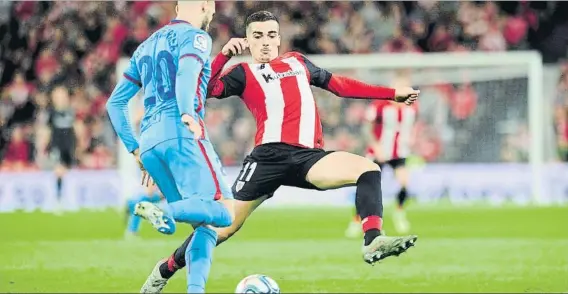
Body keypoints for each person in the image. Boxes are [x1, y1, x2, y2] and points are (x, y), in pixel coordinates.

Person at [140, 11, 420, 293]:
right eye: (257, 36)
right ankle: (165, 269)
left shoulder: (297, 62)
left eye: (271, 35)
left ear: (279, 38)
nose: (265, 42)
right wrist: (224, 55)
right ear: (248, 40)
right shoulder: (243, 73)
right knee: (221, 230)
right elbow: (205, 89)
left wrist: (390, 93)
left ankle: (372, 240)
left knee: (368, 169)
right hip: (266, 160)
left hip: (308, 157)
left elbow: (338, 85)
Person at [105, 1, 234, 293]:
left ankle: (195, 289)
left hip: (149, 142)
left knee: (204, 226)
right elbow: (186, 74)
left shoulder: (145, 46)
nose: (212, 14)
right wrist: (187, 112)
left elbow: (114, 103)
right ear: (202, 5)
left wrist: (135, 149)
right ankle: (161, 208)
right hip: (182, 133)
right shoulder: (196, 37)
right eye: (211, 7)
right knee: (225, 212)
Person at [345, 98, 418, 238]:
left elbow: (413, 125)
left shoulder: (412, 107)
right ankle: (356, 220)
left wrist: (412, 137)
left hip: (398, 153)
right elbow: (367, 127)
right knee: (366, 187)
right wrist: (375, 146)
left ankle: (399, 213)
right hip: (378, 152)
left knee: (404, 183)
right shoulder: (379, 106)